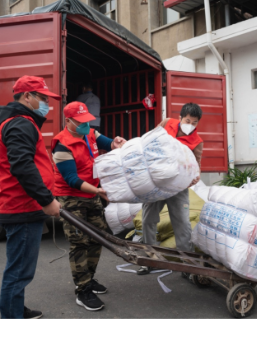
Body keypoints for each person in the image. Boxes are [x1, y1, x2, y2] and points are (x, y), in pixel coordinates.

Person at [52, 102, 126, 312]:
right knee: (79, 242)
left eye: (87, 121)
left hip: (91, 194)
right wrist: (99, 192)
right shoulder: (61, 145)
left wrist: (117, 142)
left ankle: (89, 279)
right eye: (81, 122)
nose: (86, 125)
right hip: (71, 197)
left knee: (98, 237)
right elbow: (71, 179)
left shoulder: (90, 134)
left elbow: (110, 143)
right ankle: (82, 290)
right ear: (68, 121)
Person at [0, 76, 61, 320]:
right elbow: (22, 166)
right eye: (43, 98)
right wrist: (47, 200)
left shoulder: (15, 122)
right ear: (27, 97)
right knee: (19, 271)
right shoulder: (21, 123)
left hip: (20, 204)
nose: (47, 103)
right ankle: (11, 315)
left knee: (18, 268)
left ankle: (14, 309)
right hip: (22, 207)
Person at [138, 103, 203, 275]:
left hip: (178, 188)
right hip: (156, 183)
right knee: (148, 220)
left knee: (182, 223)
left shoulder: (197, 142)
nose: (190, 125)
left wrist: (194, 177)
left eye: (195, 123)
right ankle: (150, 259)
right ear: (180, 118)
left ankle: (187, 263)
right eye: (188, 121)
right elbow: (150, 141)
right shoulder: (167, 123)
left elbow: (197, 167)